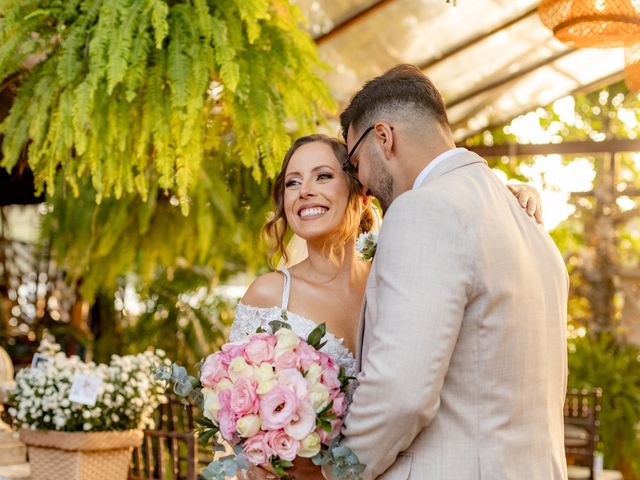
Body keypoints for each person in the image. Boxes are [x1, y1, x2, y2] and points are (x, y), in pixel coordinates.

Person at [230, 131, 544, 479]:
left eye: (323, 176)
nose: (305, 190)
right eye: (292, 182)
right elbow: (237, 409)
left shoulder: (397, 272)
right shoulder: (270, 295)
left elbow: (457, 222)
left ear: (361, 192)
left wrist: (510, 193)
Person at [332, 64, 569, 480]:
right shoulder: (528, 224)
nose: (362, 186)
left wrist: (338, 470)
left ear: (383, 137)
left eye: (353, 164)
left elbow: (401, 393)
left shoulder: (423, 209)